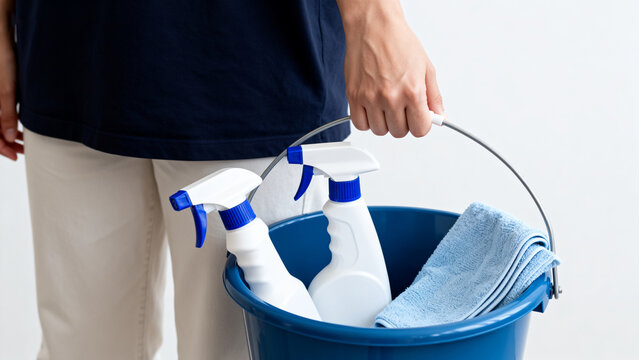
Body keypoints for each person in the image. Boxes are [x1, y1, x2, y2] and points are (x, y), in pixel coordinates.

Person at [0, 0, 444, 358]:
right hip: (66, 53)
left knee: (239, 347)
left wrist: (374, 12)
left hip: (253, 68)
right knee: (79, 347)